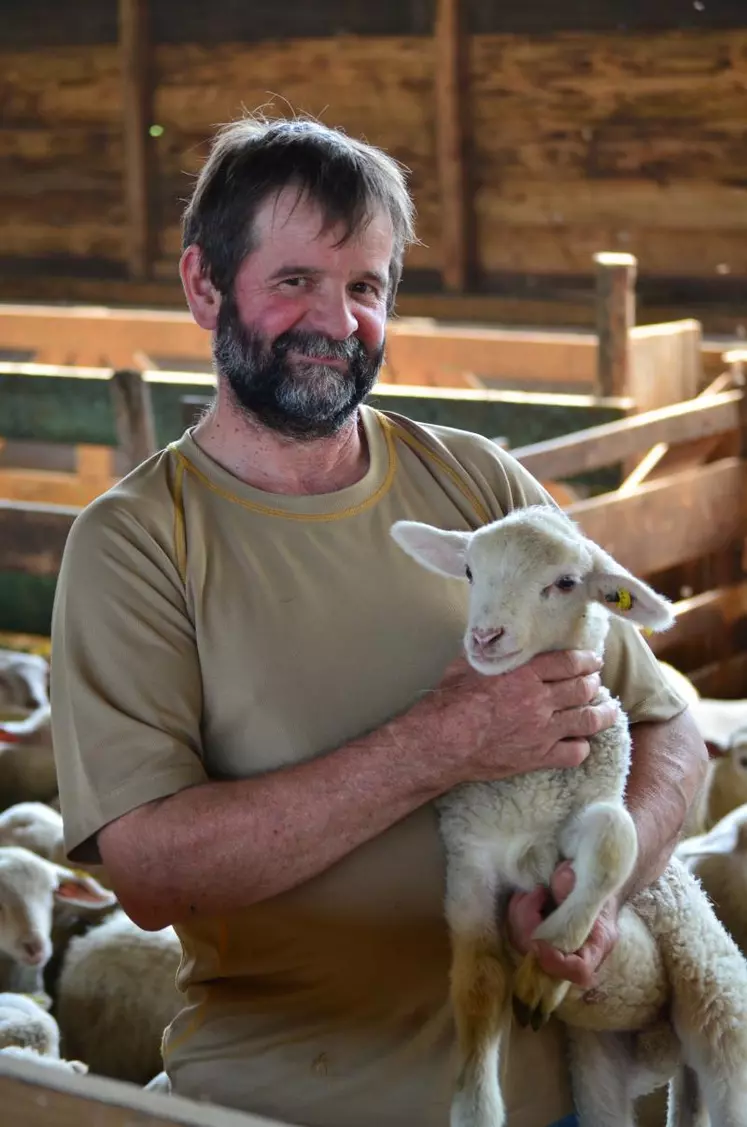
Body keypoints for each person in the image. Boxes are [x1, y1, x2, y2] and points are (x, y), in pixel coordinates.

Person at [50, 116, 707, 1127]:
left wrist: (604, 889)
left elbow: (669, 728)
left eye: (366, 287)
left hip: (542, 1099)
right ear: (204, 286)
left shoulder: (483, 483)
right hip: (282, 1100)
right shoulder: (137, 543)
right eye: (297, 280)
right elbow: (149, 868)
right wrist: (442, 744)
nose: (337, 319)